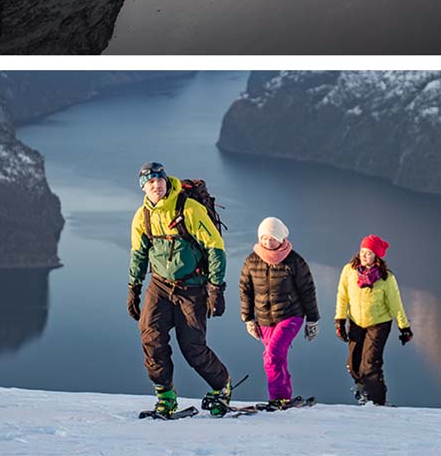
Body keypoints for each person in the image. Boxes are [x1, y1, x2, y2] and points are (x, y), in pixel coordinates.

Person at [127, 161, 233, 418]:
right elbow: (138, 254)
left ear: (166, 180)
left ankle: (222, 386)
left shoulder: (189, 209)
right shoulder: (143, 216)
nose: (156, 185)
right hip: (160, 285)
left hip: (192, 287)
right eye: (150, 182)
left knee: (193, 347)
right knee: (151, 338)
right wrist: (134, 287)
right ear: (143, 188)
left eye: (159, 180)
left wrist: (216, 288)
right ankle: (165, 396)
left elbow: (215, 248)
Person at [239, 216, 320, 408]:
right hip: (264, 319)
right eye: (264, 238)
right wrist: (248, 319)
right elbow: (245, 290)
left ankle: (277, 397)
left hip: (290, 315)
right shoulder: (252, 260)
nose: (268, 242)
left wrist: (312, 320)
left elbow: (307, 290)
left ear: (281, 238)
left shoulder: (294, 261)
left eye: (272, 238)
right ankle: (284, 397)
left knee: (272, 356)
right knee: (277, 358)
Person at [334, 233, 413, 405]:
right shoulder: (349, 271)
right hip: (356, 322)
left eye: (369, 253)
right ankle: (363, 389)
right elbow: (342, 296)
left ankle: (378, 402)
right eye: (362, 251)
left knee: (370, 364)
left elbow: (396, 304)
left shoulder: (386, 278)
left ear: (376, 256)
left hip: (378, 324)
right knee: (353, 364)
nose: (364, 255)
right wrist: (340, 320)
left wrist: (404, 328)